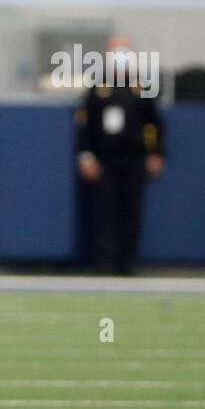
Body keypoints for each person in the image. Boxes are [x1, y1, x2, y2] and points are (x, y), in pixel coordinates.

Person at [75, 36, 165, 275]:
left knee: (131, 212)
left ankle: (127, 264)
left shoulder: (142, 88)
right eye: (116, 51)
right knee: (105, 213)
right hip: (105, 160)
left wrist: (155, 153)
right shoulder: (97, 88)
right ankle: (106, 264)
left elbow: (154, 124)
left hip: (134, 159)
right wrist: (86, 156)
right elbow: (86, 126)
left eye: (124, 51)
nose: (120, 56)